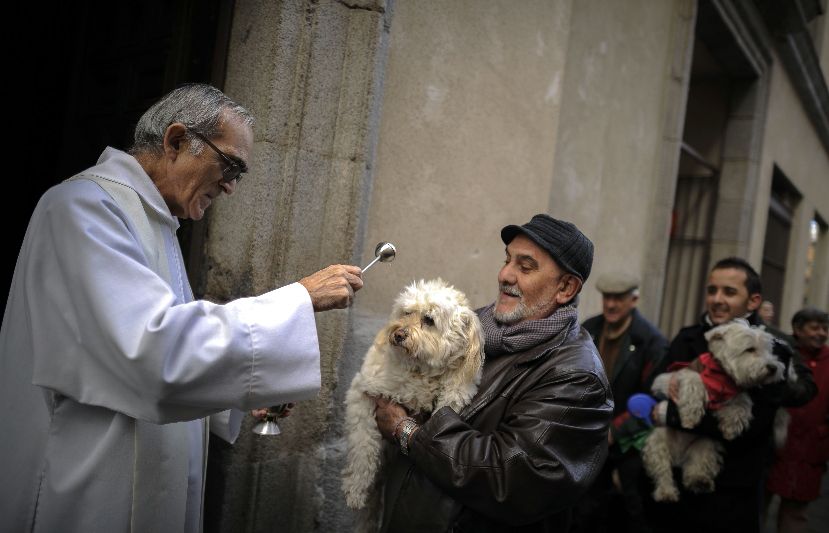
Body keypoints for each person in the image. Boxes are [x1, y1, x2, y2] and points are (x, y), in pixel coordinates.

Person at [0, 83, 364, 533]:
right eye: (229, 165)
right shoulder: (82, 209)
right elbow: (153, 352)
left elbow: (168, 351)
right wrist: (299, 298)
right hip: (87, 487)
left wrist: (239, 390)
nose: (230, 186)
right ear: (175, 141)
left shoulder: (158, 225)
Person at [372, 213, 613, 532]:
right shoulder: (471, 331)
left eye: (525, 267)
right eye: (507, 260)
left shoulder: (578, 377)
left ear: (566, 287)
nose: (504, 275)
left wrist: (407, 432)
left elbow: (509, 478)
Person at [643, 257, 816, 533]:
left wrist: (670, 414)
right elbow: (652, 388)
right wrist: (667, 389)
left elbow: (751, 426)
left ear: (753, 301)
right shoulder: (688, 337)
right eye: (712, 290)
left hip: (733, 490)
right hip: (676, 490)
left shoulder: (773, 349)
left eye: (729, 292)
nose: (717, 299)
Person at [574, 273, 668, 533]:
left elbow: (654, 398)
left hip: (627, 445)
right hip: (587, 438)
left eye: (618, 298)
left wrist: (615, 431)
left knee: (628, 510)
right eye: (607, 297)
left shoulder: (651, 342)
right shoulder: (590, 329)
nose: (611, 304)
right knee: (582, 511)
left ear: (633, 300)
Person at [765, 307, 829, 533]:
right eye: (815, 328)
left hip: (810, 452)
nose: (821, 333)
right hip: (774, 448)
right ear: (798, 330)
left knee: (796, 515)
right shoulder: (780, 351)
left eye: (824, 329)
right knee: (757, 508)